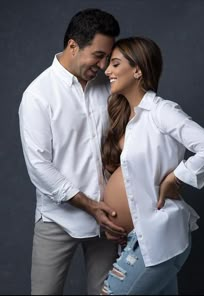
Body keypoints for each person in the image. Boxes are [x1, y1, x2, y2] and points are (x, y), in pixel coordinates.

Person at [100, 36, 204, 295]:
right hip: (136, 237)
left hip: (157, 236)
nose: (107, 71)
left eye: (115, 64)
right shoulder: (127, 116)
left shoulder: (162, 111)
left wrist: (176, 178)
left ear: (137, 70)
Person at [18, 8, 127, 295]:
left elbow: (123, 142)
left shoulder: (108, 86)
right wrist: (90, 206)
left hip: (108, 220)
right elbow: (39, 167)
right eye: (98, 55)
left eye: (108, 57)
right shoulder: (38, 95)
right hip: (58, 219)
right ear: (73, 46)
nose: (105, 66)